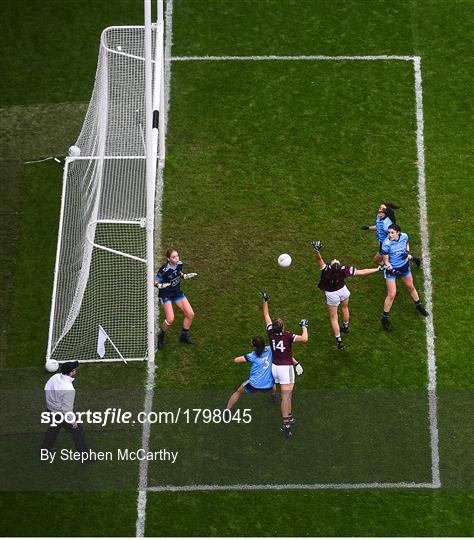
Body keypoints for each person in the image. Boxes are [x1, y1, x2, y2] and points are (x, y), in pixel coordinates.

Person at [311, 240, 383, 349]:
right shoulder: (344, 270)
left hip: (331, 295)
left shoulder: (326, 270)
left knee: (334, 317)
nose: (335, 259)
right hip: (343, 291)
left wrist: (317, 251)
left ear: (331, 266)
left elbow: (319, 259)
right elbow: (362, 272)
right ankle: (345, 326)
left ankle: (339, 341)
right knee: (345, 308)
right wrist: (378, 269)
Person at [261, 292, 307, 437]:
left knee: (288, 395)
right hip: (285, 368)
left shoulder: (270, 332)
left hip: (275, 366)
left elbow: (266, 315)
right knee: (286, 397)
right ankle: (286, 423)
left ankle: (289, 417)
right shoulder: (287, 336)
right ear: (282, 327)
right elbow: (305, 339)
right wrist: (304, 326)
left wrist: (265, 301)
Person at [380, 224, 428, 331]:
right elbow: (386, 261)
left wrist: (406, 252)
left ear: (398, 232)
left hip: (405, 266)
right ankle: (385, 318)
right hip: (392, 270)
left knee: (410, 287)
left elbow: (407, 244)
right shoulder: (386, 244)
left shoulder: (404, 236)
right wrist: (392, 270)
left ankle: (418, 305)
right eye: (389, 232)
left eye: (392, 232)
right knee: (392, 294)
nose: (390, 235)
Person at [40, 361, 90, 455]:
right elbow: (67, 410)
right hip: (61, 415)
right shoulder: (68, 389)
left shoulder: (54, 377)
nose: (75, 371)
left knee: (53, 429)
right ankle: (85, 456)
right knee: (78, 433)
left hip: (50, 410)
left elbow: (46, 388)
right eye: (74, 369)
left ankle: (44, 450)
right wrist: (73, 422)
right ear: (71, 372)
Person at [154, 248, 197, 350]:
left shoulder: (180, 264)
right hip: (166, 294)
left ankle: (184, 336)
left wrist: (184, 276)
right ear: (168, 259)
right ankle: (161, 336)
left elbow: (179, 273)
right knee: (170, 319)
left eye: (177, 256)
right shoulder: (164, 270)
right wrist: (160, 285)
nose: (177, 259)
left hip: (176, 292)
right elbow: (155, 281)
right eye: (173, 257)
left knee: (190, 314)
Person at [361, 202, 421, 267]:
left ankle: (392, 269)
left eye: (382, 209)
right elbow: (378, 227)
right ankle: (414, 259)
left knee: (377, 260)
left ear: (386, 212)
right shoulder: (379, 216)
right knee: (396, 256)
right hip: (382, 242)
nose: (379, 210)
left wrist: (390, 244)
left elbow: (395, 234)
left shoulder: (386, 224)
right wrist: (368, 228)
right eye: (380, 208)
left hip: (386, 244)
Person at [226, 336, 276, 410]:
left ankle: (227, 409)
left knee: (238, 392)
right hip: (268, 385)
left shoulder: (252, 355)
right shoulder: (271, 350)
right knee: (272, 380)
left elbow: (236, 360)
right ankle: (273, 394)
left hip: (254, 384)